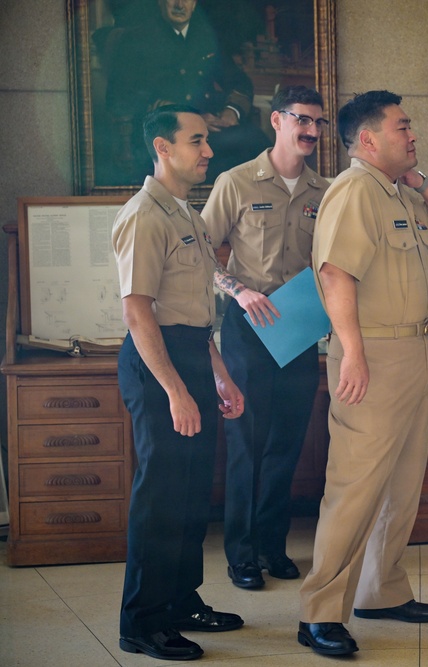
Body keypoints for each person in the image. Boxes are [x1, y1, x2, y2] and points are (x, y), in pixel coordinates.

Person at [297, 90, 428, 657]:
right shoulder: (353, 192)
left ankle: (380, 589)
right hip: (370, 354)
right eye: (402, 127)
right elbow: (335, 277)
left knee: (400, 483)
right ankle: (320, 611)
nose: (412, 134)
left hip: (413, 352)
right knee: (354, 488)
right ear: (368, 139)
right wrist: (351, 352)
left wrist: (418, 179)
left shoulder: (398, 191)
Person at [112, 104, 246, 661]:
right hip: (156, 364)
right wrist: (174, 390)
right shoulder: (144, 214)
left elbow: (194, 313)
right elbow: (139, 313)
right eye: (197, 141)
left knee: (192, 497)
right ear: (163, 148)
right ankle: (142, 623)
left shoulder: (186, 212)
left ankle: (181, 602)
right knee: (160, 500)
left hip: (191, 355)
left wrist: (218, 376)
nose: (208, 151)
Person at [201, 85, 329, 590]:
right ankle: (242, 555)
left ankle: (273, 547)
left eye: (318, 123)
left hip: (298, 326)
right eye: (302, 120)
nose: (312, 131)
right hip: (247, 328)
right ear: (277, 121)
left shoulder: (325, 191)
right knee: (246, 443)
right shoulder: (236, 182)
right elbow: (201, 255)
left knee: (286, 442)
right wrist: (238, 290)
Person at [105, 0, 269, 184]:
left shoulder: (205, 37)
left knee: (256, 143)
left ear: (194, 3)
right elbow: (121, 98)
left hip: (210, 129)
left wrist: (231, 111)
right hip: (164, 134)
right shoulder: (136, 40)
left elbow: (239, 82)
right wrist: (194, 121)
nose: (179, 5)